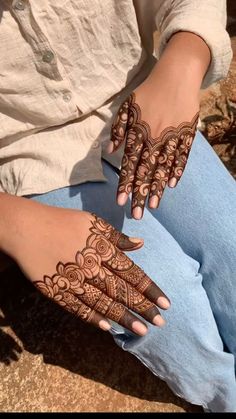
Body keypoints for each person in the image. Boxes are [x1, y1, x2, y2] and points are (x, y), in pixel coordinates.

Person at [0, 0, 235, 412]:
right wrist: (15, 223)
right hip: (28, 157)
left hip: (145, 108)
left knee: (230, 240)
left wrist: (183, 59)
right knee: (169, 313)